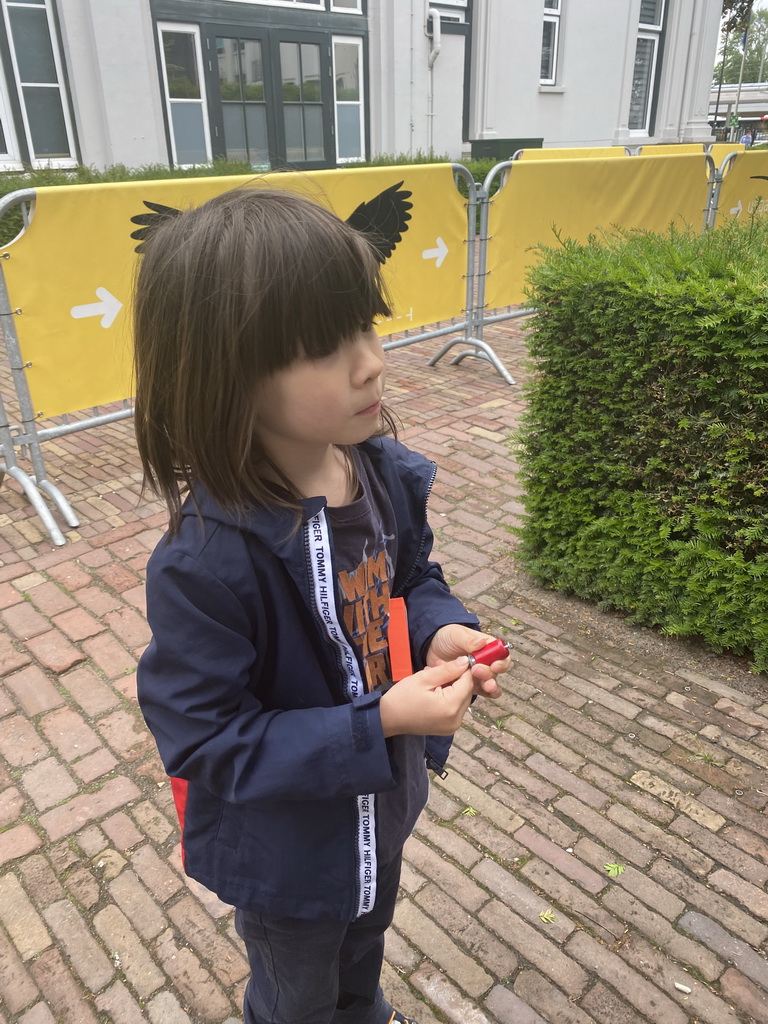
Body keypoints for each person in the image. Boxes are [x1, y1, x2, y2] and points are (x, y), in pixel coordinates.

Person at [132, 185, 510, 1024]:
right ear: (228, 373)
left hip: (380, 815)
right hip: (287, 859)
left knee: (362, 951)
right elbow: (206, 737)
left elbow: (411, 577)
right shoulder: (206, 561)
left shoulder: (376, 473)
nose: (371, 360)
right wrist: (379, 723)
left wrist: (443, 628)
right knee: (296, 995)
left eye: (367, 325)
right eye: (326, 345)